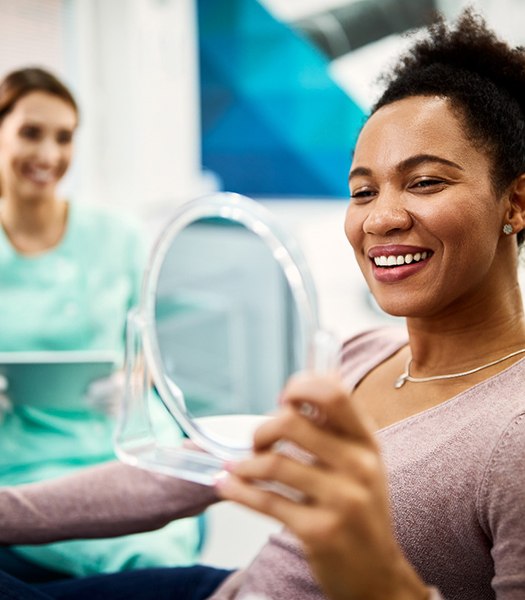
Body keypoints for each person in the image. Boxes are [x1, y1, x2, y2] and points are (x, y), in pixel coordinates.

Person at [1, 8, 525, 599]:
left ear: (515, 202)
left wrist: (379, 581)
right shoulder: (360, 358)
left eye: (426, 181)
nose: (381, 217)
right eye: (362, 191)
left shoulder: (514, 434)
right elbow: (176, 479)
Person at [0, 67, 202, 580]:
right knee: (137, 563)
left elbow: (148, 359)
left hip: (121, 446)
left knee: (164, 553)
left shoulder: (115, 237)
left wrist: (131, 386)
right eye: (30, 132)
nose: (49, 155)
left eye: (64, 137)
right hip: (21, 462)